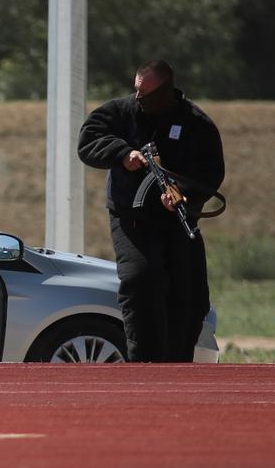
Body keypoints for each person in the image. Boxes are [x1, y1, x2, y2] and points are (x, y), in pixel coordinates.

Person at [78, 59, 225, 362]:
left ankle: (177, 363)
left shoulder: (197, 124)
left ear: (165, 92)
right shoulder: (122, 112)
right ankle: (144, 365)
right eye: (136, 91)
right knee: (141, 280)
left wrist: (183, 195)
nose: (138, 99)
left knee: (190, 294)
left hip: (178, 220)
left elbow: (210, 172)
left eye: (145, 94)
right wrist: (122, 153)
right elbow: (89, 139)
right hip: (131, 219)